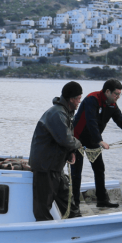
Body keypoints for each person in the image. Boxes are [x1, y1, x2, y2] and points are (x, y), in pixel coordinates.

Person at [70, 79, 122, 212]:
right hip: (77, 139)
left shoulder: (112, 105)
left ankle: (102, 200)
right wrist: (100, 140)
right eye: (116, 94)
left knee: (99, 169)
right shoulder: (92, 99)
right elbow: (91, 121)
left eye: (119, 94)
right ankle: (75, 205)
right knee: (77, 172)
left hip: (93, 139)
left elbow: (121, 121)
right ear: (107, 91)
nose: (118, 97)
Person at [29, 81, 84, 221]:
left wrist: (70, 152)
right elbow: (66, 139)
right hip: (45, 167)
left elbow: (63, 139)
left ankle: (77, 222)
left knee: (67, 199)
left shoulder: (64, 112)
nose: (79, 101)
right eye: (78, 98)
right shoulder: (57, 114)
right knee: (42, 207)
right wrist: (78, 145)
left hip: (55, 166)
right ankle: (45, 230)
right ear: (71, 99)